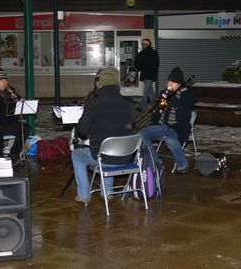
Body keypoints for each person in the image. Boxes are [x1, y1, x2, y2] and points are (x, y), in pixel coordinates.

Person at [71, 67, 135, 204]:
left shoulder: (93, 104)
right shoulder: (129, 103)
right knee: (108, 147)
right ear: (117, 83)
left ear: (100, 83)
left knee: (77, 155)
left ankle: (83, 195)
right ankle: (107, 191)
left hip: (104, 157)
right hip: (126, 156)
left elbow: (82, 131)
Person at [139, 66, 195, 174]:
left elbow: (184, 114)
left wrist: (174, 101)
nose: (169, 84)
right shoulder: (164, 93)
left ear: (179, 84)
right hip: (161, 126)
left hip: (176, 128)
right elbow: (156, 114)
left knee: (170, 140)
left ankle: (182, 165)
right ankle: (156, 162)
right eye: (169, 81)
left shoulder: (187, 96)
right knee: (141, 135)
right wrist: (159, 107)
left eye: (173, 82)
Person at [0, 68, 30, 163]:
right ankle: (0, 156)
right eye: (2, 81)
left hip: (8, 122)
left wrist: (20, 101)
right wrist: (5, 100)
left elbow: (16, 104)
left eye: (6, 80)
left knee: (25, 128)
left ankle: (14, 153)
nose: (4, 83)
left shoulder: (10, 90)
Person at [134, 38, 159, 111]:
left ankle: (141, 106)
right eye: (142, 44)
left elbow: (138, 63)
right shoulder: (151, 53)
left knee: (145, 91)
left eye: (144, 44)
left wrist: (137, 68)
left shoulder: (144, 53)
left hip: (148, 74)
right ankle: (155, 105)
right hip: (148, 74)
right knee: (150, 91)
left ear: (148, 44)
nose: (142, 45)